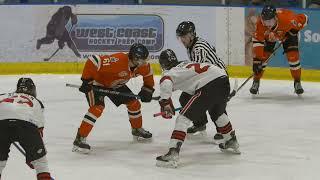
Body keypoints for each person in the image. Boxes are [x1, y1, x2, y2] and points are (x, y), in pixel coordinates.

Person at [155, 49, 240, 168]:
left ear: (163, 64)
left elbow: (167, 82)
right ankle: (231, 140)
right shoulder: (184, 64)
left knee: (183, 119)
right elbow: (180, 83)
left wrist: (165, 102)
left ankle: (172, 153)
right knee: (218, 113)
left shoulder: (169, 72)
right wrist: (163, 97)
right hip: (223, 80)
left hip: (208, 86)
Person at [72, 43, 155, 154]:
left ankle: (137, 129)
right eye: (143, 60)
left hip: (116, 85)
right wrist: (86, 80)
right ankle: (80, 138)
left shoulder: (141, 65)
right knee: (97, 108)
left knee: (134, 103)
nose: (145, 62)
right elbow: (94, 60)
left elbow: (148, 73)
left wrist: (148, 89)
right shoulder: (118, 60)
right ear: (135, 59)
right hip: (97, 84)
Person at [176, 21, 227, 142]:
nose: (182, 39)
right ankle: (200, 123)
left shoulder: (198, 48)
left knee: (214, 103)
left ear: (192, 35)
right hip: (209, 77)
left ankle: (222, 130)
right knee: (184, 98)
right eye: (181, 37)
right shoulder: (192, 45)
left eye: (184, 36)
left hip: (218, 79)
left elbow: (197, 71)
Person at [0, 78, 53, 180]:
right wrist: (34, 155)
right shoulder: (36, 101)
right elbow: (39, 131)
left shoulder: (3, 96)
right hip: (26, 125)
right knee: (41, 163)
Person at [250, 5, 308, 95]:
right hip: (270, 37)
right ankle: (256, 81)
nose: (267, 24)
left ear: (276, 18)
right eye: (265, 21)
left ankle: (297, 82)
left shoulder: (288, 19)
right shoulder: (260, 24)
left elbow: (305, 18)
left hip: (288, 35)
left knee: (293, 58)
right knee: (262, 59)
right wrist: (257, 60)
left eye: (270, 21)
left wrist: (294, 30)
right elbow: (258, 41)